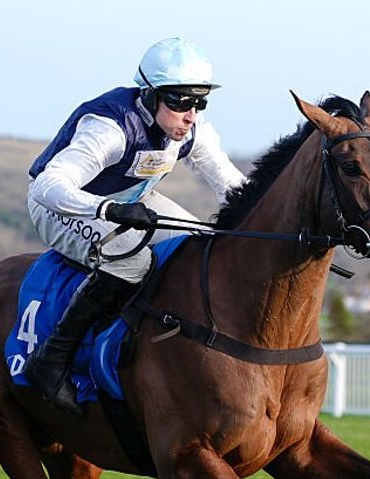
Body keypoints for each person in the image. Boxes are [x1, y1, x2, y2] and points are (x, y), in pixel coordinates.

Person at [23, 37, 248, 415]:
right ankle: (52, 358)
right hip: (63, 205)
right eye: (179, 102)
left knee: (200, 249)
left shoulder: (194, 130)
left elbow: (234, 188)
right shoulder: (110, 128)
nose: (190, 115)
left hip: (129, 201)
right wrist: (107, 209)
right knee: (132, 263)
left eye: (199, 102)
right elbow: (49, 186)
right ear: (150, 95)